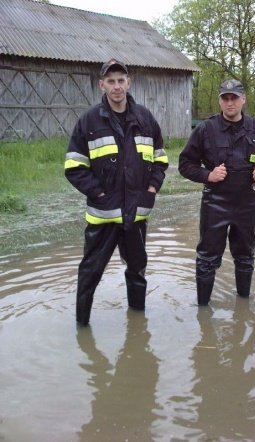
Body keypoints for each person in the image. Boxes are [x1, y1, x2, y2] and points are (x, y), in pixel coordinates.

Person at [65, 59, 168, 325]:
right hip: (103, 216)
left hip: (136, 215)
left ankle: (138, 324)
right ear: (102, 85)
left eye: (121, 80)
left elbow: (160, 160)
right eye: (110, 81)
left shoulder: (146, 119)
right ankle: (82, 326)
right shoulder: (89, 120)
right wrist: (99, 194)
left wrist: (151, 189)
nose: (116, 86)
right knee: (90, 272)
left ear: (128, 83)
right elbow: (74, 166)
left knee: (137, 271)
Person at [178, 79, 255, 305]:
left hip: (247, 204)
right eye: (225, 98)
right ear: (220, 101)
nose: (229, 102)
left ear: (243, 99)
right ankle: (203, 312)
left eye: (234, 97)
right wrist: (208, 175)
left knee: (245, 256)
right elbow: (185, 164)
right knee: (207, 258)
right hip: (215, 203)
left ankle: (243, 306)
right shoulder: (206, 129)